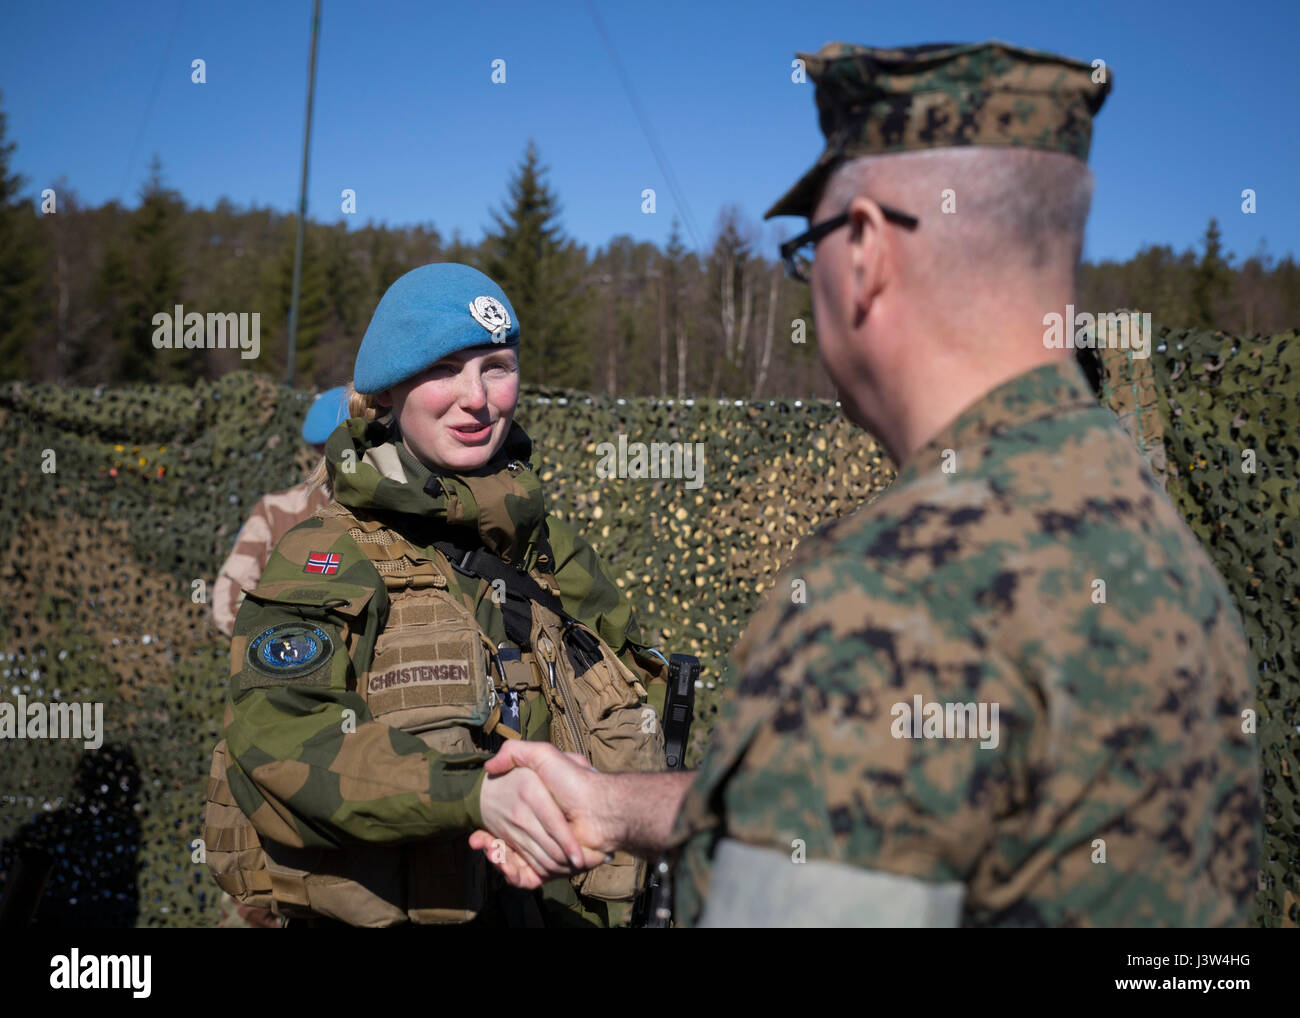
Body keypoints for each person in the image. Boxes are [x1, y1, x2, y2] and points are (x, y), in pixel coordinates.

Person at [468, 40, 1261, 927]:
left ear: (869, 251)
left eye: (809, 251)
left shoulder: (901, 584)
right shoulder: (1133, 515)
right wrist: (613, 804)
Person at [202, 263, 666, 928]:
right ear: (388, 394)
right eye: (444, 369)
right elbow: (280, 738)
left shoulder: (546, 546)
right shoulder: (329, 552)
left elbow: (634, 697)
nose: (477, 398)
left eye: (495, 366)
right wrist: (474, 797)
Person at [211, 385, 348, 928]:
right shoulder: (283, 513)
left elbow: (226, 607)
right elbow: (225, 603)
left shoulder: (282, 510)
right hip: (295, 725)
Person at [212, 386, 350, 639]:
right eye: (324, 448)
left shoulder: (402, 506)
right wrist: (280, 648)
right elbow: (230, 596)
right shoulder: (277, 510)